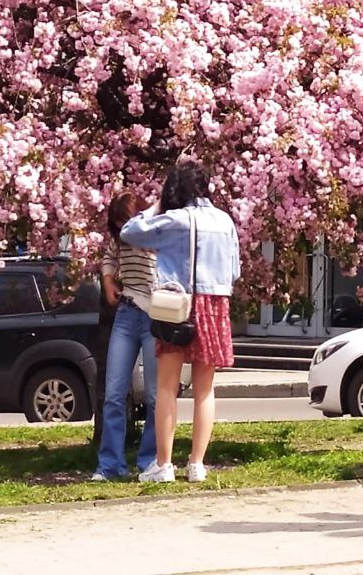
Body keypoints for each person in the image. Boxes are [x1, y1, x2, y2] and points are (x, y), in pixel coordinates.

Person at [120, 161, 241, 484]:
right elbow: (234, 271)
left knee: (166, 387)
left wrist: (155, 206)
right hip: (215, 304)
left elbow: (129, 231)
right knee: (205, 389)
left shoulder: (174, 219)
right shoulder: (225, 221)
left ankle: (163, 465)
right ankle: (197, 464)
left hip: (177, 305)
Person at [92, 192, 159, 481]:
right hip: (127, 313)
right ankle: (110, 465)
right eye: (117, 225)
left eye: (125, 222)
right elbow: (109, 256)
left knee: (156, 396)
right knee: (114, 394)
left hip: (155, 314)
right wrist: (108, 280)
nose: (122, 230)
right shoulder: (120, 238)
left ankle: (150, 461)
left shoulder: (155, 231)